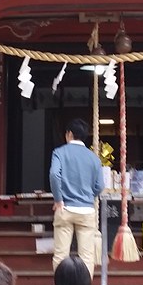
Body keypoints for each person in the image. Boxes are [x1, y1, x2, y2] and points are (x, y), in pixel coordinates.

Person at [49, 118, 105, 276]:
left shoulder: (59, 152)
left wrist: (58, 199)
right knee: (87, 256)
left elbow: (54, 174)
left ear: (69, 134)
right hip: (87, 210)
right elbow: (100, 186)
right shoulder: (94, 157)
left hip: (64, 208)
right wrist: (88, 196)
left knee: (61, 255)